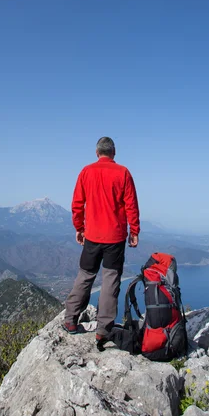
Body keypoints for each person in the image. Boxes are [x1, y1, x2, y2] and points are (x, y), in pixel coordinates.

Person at [64, 136, 140, 342]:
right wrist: (134, 231)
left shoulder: (86, 172)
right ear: (113, 153)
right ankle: (103, 330)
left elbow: (77, 204)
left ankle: (70, 319)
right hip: (114, 237)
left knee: (85, 276)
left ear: (97, 153)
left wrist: (79, 228)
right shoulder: (123, 173)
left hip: (92, 235)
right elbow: (131, 204)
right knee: (110, 281)